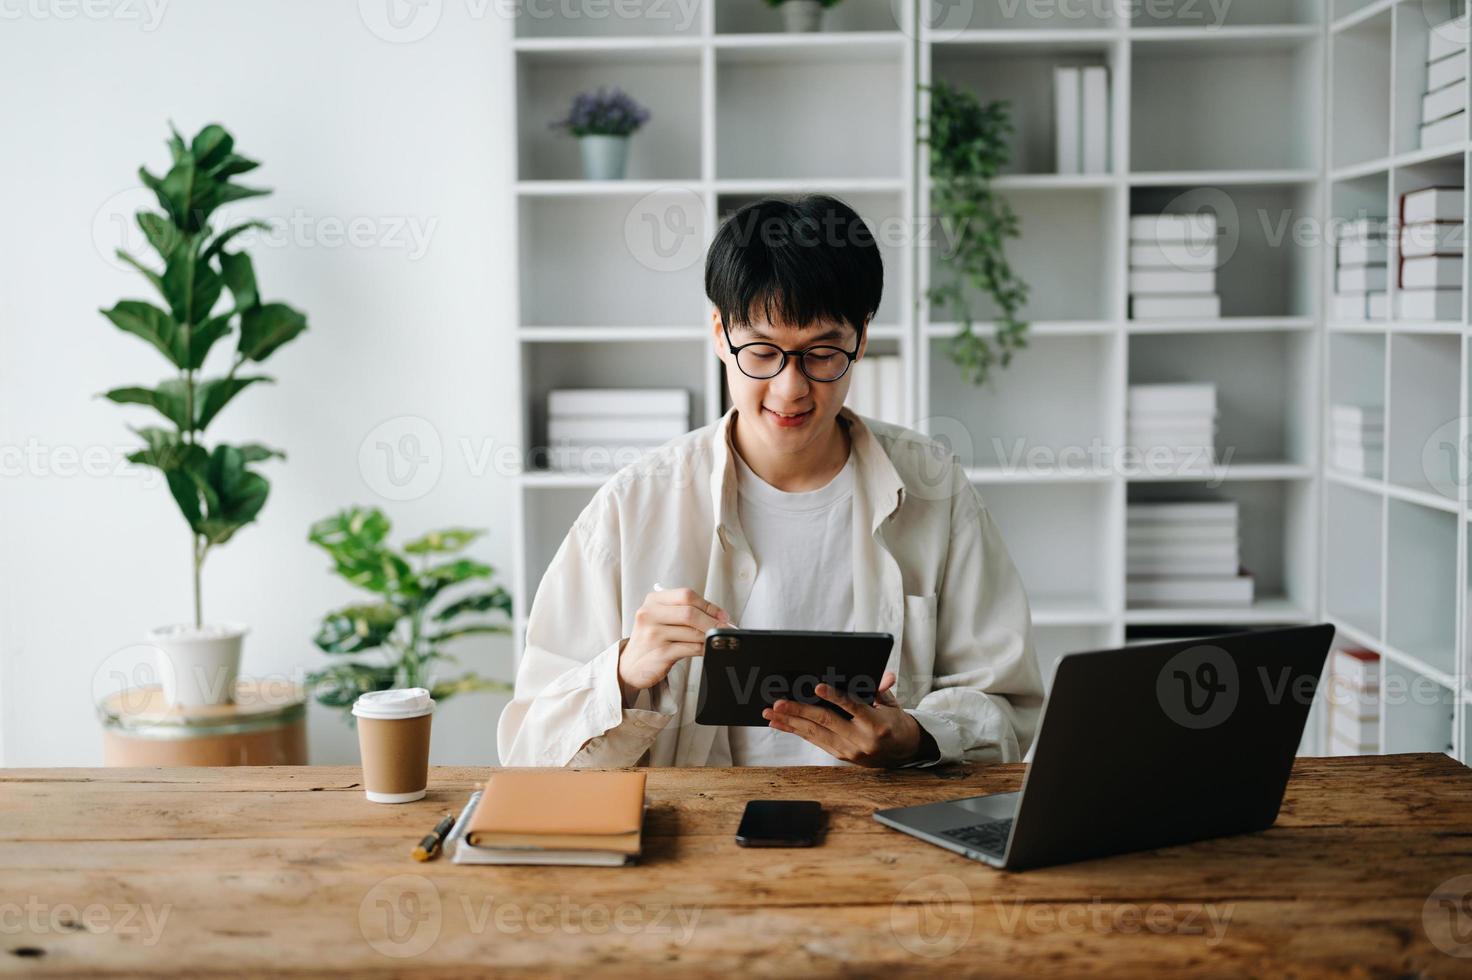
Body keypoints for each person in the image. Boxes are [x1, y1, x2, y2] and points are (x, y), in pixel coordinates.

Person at [497, 194, 1043, 768]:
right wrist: (626, 672)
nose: (790, 389)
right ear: (718, 332)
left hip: (883, 839)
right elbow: (529, 753)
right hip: (696, 841)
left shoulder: (935, 487)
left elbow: (1009, 705)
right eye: (761, 351)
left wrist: (918, 736)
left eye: (822, 353)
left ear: (862, 336)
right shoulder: (631, 506)